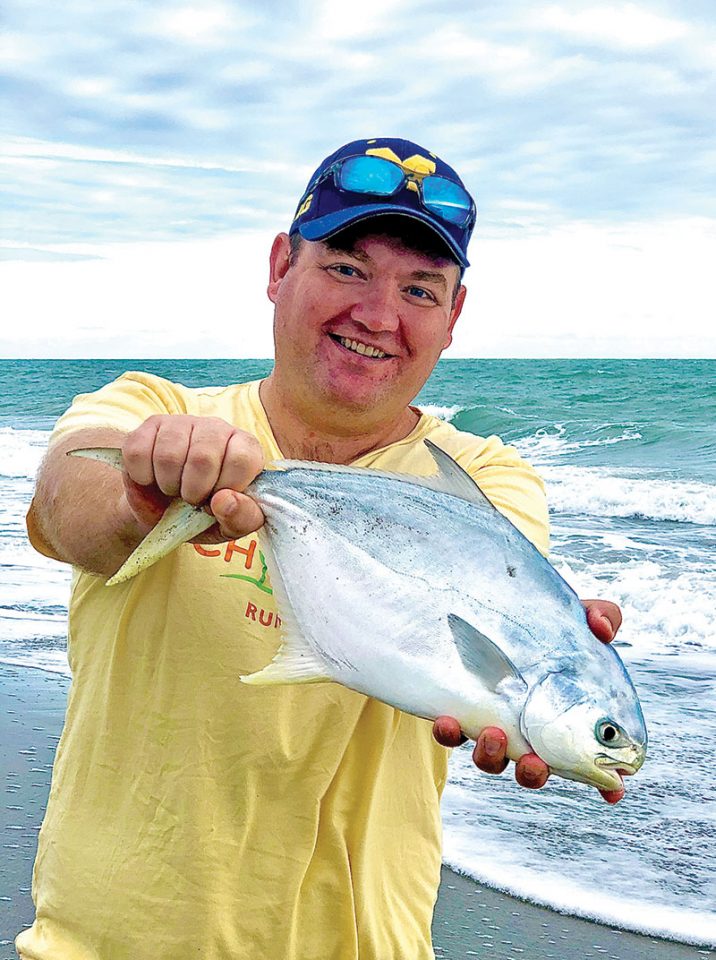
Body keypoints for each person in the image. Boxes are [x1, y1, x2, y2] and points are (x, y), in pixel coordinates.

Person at [21, 137, 622, 960]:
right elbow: (63, 508)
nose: (379, 315)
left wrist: (528, 672)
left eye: (420, 288)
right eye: (346, 268)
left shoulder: (481, 482)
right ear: (278, 269)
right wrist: (145, 489)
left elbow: (498, 608)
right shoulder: (150, 406)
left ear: (454, 318)